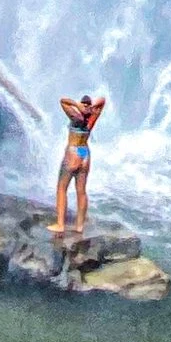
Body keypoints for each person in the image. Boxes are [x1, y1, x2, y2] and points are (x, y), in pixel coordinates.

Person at [54, 91, 106, 239]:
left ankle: (60, 224)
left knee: (62, 188)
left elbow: (63, 100)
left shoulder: (76, 117)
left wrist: (77, 105)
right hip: (85, 153)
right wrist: (91, 108)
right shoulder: (92, 118)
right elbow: (102, 100)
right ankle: (79, 226)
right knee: (81, 191)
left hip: (73, 152)